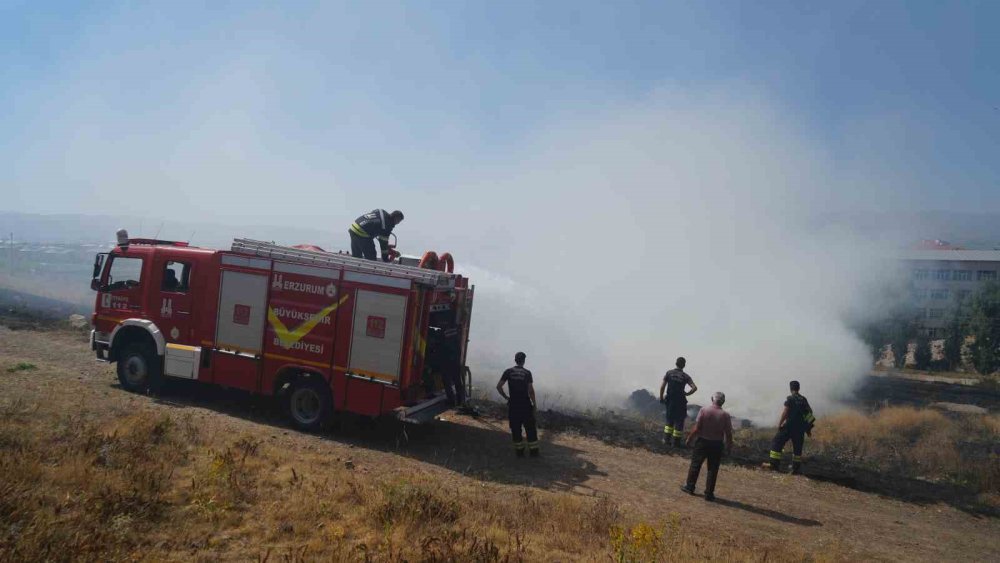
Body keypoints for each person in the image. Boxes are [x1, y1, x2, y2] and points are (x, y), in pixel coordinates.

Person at [680, 392, 733, 501]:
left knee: (695, 465)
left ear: (712, 399)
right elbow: (728, 433)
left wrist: (690, 438)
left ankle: (690, 486)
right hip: (717, 444)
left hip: (702, 442)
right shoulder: (725, 415)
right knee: (713, 469)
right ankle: (709, 493)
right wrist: (729, 446)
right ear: (723, 402)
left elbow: (697, 428)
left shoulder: (704, 410)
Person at [764, 380, 816, 474]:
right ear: (798, 388)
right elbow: (810, 412)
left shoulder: (790, 398)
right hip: (800, 428)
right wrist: (807, 428)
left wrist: (780, 423)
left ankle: (774, 465)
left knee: (777, 442)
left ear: (790, 388)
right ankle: (795, 469)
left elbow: (785, 412)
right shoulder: (803, 399)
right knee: (797, 448)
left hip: (789, 427)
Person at [496, 351, 539, 457]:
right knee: (530, 428)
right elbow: (531, 391)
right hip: (525, 404)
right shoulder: (527, 373)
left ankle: (519, 452)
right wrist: (534, 404)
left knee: (515, 428)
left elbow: (499, 386)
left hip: (513, 404)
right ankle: (533, 452)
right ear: (523, 361)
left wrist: (506, 397)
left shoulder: (508, 372)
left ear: (515, 360)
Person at [659, 357, 697, 447]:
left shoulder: (669, 373)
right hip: (681, 401)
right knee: (679, 421)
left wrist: (661, 398)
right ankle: (676, 442)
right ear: (684, 365)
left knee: (670, 419)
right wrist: (687, 393)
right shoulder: (685, 376)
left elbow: (662, 387)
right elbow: (694, 388)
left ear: (676, 363)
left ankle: (666, 440)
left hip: (670, 400)